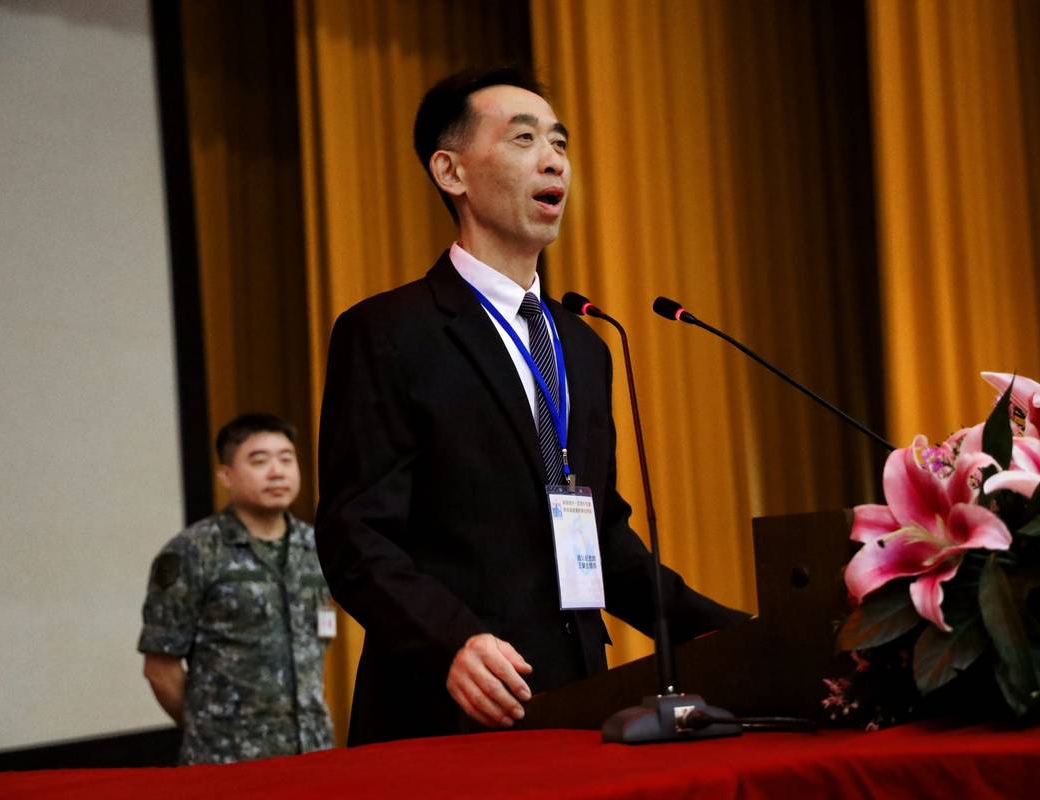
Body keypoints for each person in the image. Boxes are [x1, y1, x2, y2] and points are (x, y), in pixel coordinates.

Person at [316, 66, 747, 746]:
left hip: (578, 698)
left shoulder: (583, 344)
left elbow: (599, 534)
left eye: (560, 142)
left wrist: (720, 630)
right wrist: (450, 641)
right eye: (523, 139)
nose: (553, 160)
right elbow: (355, 536)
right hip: (450, 706)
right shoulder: (391, 332)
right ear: (450, 171)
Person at [139, 413, 335, 764]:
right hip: (226, 762)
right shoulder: (192, 552)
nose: (277, 471)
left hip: (312, 754)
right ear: (226, 474)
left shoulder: (318, 548)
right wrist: (209, 730)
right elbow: (160, 668)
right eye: (259, 461)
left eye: (287, 459)